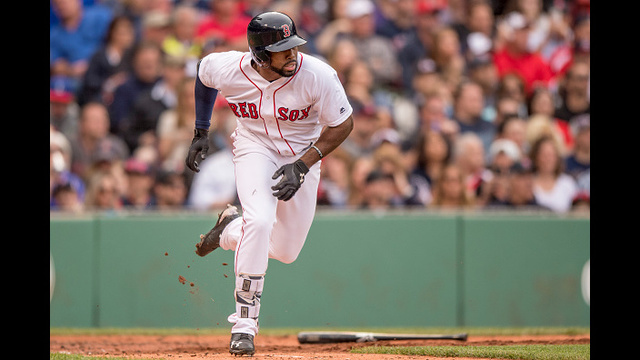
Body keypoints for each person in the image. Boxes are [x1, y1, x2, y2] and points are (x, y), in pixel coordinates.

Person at [184, 12, 354, 356]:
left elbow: (343, 123)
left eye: (293, 46)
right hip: (254, 148)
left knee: (287, 252)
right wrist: (201, 131)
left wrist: (304, 165)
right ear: (261, 55)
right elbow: (204, 73)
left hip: (302, 153)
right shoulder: (231, 67)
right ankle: (244, 327)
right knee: (260, 221)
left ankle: (230, 229)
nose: (292, 54)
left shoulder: (318, 74)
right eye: (283, 49)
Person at [529, 135, 577, 213]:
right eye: (544, 155)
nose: (548, 159)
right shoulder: (528, 183)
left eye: (551, 155)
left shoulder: (568, 183)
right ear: (535, 157)